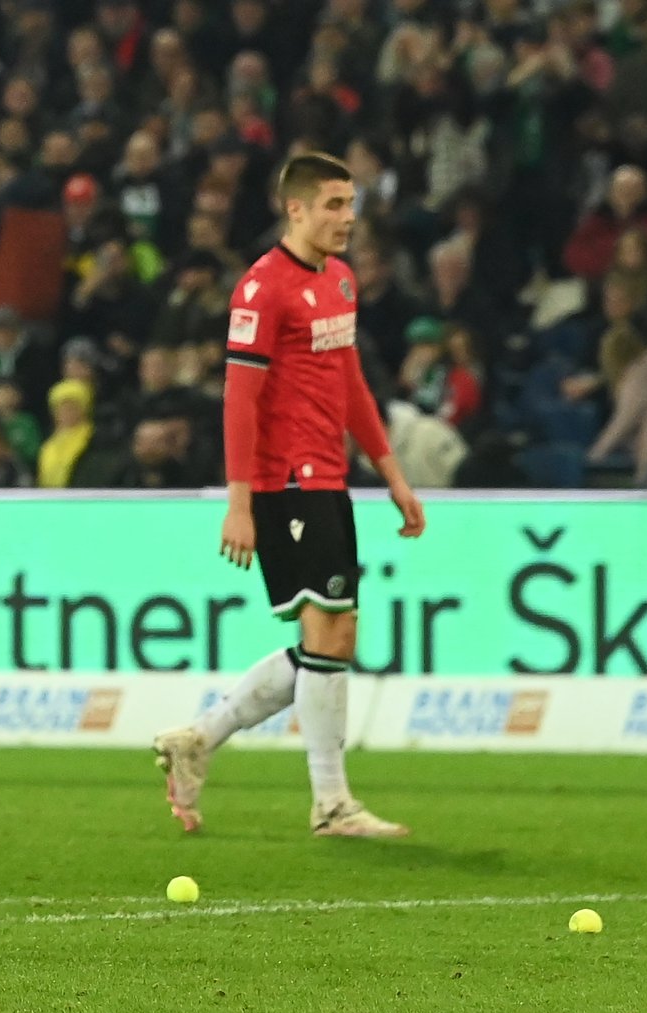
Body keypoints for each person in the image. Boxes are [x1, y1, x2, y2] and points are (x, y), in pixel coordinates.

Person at [152, 153, 427, 839]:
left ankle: (200, 738)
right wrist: (239, 500)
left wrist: (391, 472)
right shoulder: (261, 288)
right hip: (284, 482)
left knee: (331, 635)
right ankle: (331, 803)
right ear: (295, 208)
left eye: (351, 203)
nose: (348, 217)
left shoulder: (339, 280)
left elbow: (351, 386)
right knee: (331, 630)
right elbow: (239, 399)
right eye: (334, 204)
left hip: (329, 476)